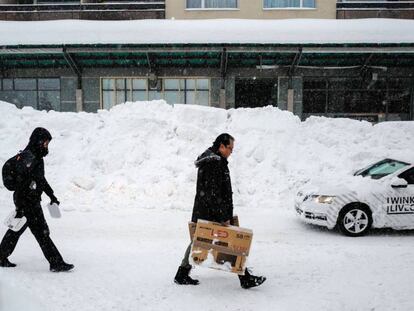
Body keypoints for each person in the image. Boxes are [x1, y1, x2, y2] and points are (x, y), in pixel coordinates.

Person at [174, 133, 266, 289]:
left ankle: (182, 273)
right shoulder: (214, 163)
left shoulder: (215, 160)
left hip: (207, 211)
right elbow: (214, 194)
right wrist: (223, 217)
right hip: (212, 213)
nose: (231, 151)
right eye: (230, 148)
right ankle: (245, 278)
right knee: (233, 242)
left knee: (198, 241)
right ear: (221, 146)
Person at [0, 127, 74, 272]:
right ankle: (56, 263)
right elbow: (21, 184)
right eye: (45, 143)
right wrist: (21, 206)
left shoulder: (36, 158)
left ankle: (1, 256)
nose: (46, 146)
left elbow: (40, 180)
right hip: (27, 201)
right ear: (38, 141)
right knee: (41, 232)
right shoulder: (28, 159)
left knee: (17, 229)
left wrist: (51, 195)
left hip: (30, 200)